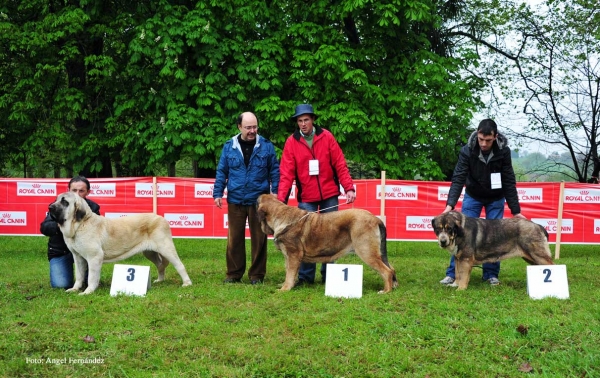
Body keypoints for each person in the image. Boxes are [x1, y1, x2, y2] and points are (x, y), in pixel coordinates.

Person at [439, 119, 526, 286]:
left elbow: (508, 180)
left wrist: (516, 211)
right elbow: (458, 178)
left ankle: (491, 274)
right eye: (481, 139)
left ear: (495, 137)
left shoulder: (504, 152)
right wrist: (450, 205)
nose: (484, 143)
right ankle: (452, 274)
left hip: (496, 198)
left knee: (495, 236)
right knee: (461, 235)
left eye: (488, 140)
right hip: (473, 196)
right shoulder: (467, 150)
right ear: (477, 135)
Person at [278, 104, 356, 286]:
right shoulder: (291, 142)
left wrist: (349, 187)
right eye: (299, 121)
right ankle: (306, 278)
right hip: (307, 198)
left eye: (306, 120)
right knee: (305, 238)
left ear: (313, 119)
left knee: (331, 236)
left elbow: (340, 164)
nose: (303, 124)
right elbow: (286, 173)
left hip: (330, 194)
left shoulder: (327, 136)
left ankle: (330, 276)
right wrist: (281, 199)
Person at [214, 112, 280, 285]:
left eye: (255, 127)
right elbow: (222, 171)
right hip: (235, 199)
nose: (252, 131)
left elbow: (274, 169)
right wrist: (218, 193)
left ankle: (257, 275)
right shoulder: (229, 146)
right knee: (234, 238)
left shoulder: (266, 145)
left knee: (259, 238)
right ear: (239, 127)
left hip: (259, 202)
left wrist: (276, 191)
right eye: (248, 127)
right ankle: (234, 274)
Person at [40, 176, 100, 288]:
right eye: (74, 190)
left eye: (81, 191)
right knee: (61, 285)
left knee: (88, 282)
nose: (77, 194)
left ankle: (84, 279)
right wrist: (62, 225)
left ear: (88, 192)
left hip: (84, 252)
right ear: (68, 190)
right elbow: (45, 228)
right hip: (61, 251)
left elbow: (96, 235)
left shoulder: (92, 207)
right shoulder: (57, 205)